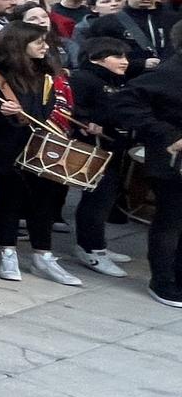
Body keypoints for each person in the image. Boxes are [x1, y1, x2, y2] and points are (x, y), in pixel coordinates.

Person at [0, 22, 85, 285]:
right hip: (4, 148)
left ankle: (43, 254)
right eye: (38, 42)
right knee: (11, 199)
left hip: (37, 147)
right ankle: (8, 252)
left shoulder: (43, 76)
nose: (45, 47)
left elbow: (44, 112)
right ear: (18, 45)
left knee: (44, 200)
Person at [113, 46, 182, 307]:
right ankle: (163, 281)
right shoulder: (171, 71)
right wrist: (168, 134)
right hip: (172, 159)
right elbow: (124, 102)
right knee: (171, 219)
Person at [68, 37, 134, 278]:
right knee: (97, 199)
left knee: (106, 198)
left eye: (125, 57)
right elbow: (73, 108)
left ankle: (98, 244)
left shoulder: (114, 80)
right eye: (117, 56)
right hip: (93, 148)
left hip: (113, 146)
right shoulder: (84, 78)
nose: (124, 62)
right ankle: (91, 248)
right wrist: (86, 122)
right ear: (97, 58)